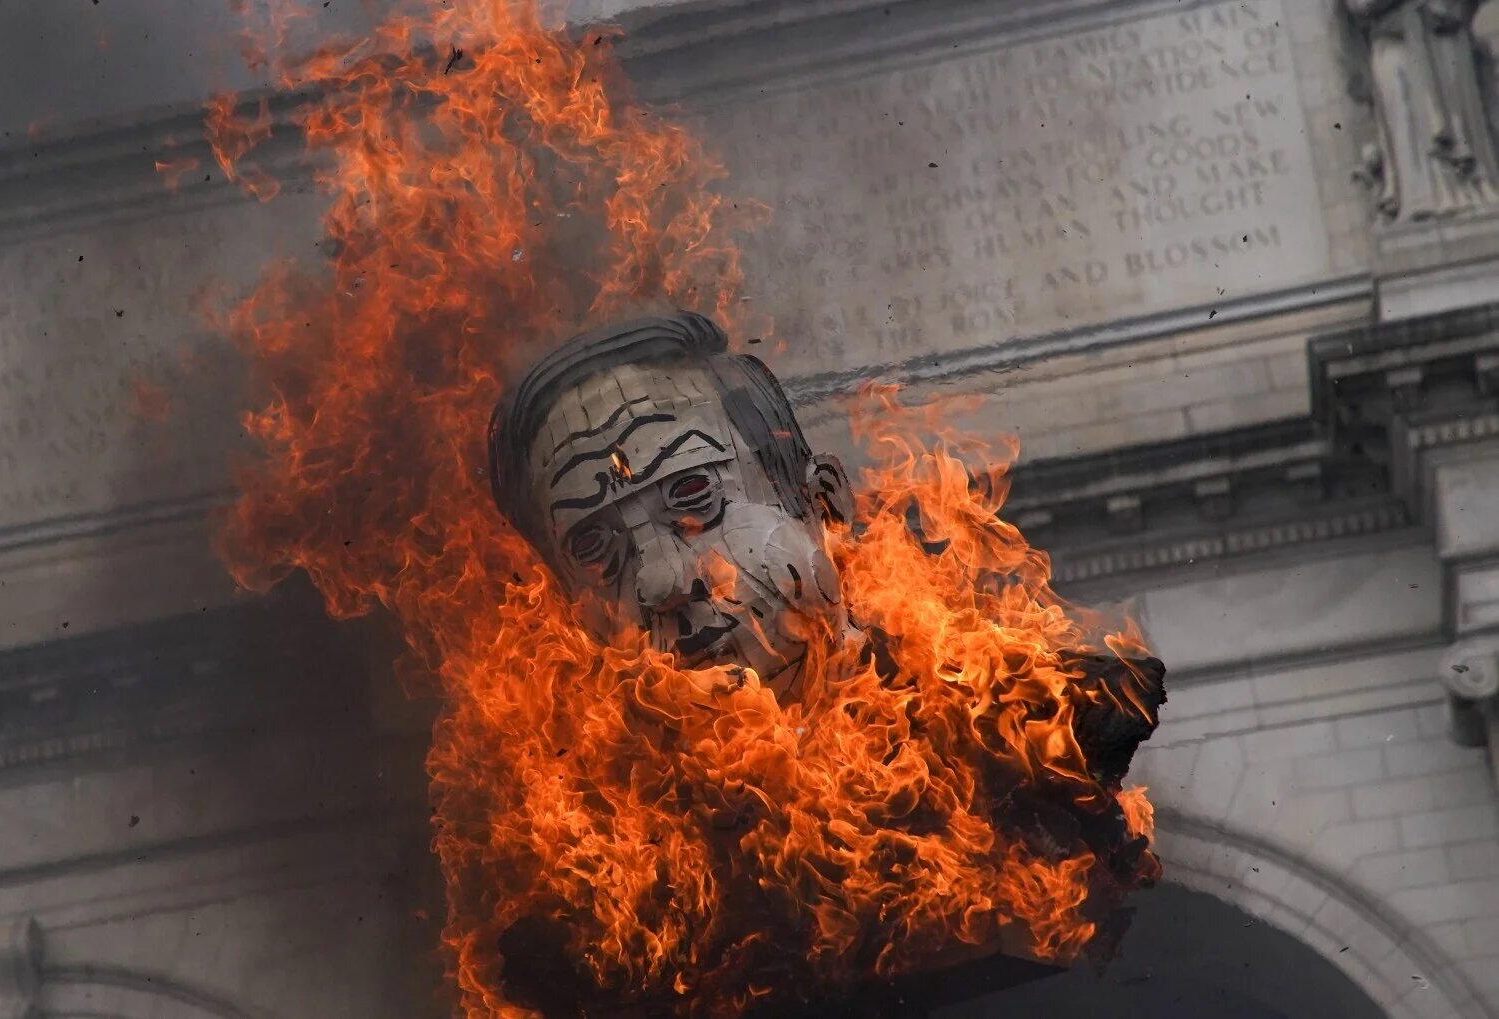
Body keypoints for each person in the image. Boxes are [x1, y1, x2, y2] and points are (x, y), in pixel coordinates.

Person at [485, 310, 1165, 1018]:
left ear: (820, 502)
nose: (658, 582)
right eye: (596, 548)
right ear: (572, 619)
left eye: (694, 497)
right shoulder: (603, 932)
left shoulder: (1049, 731)